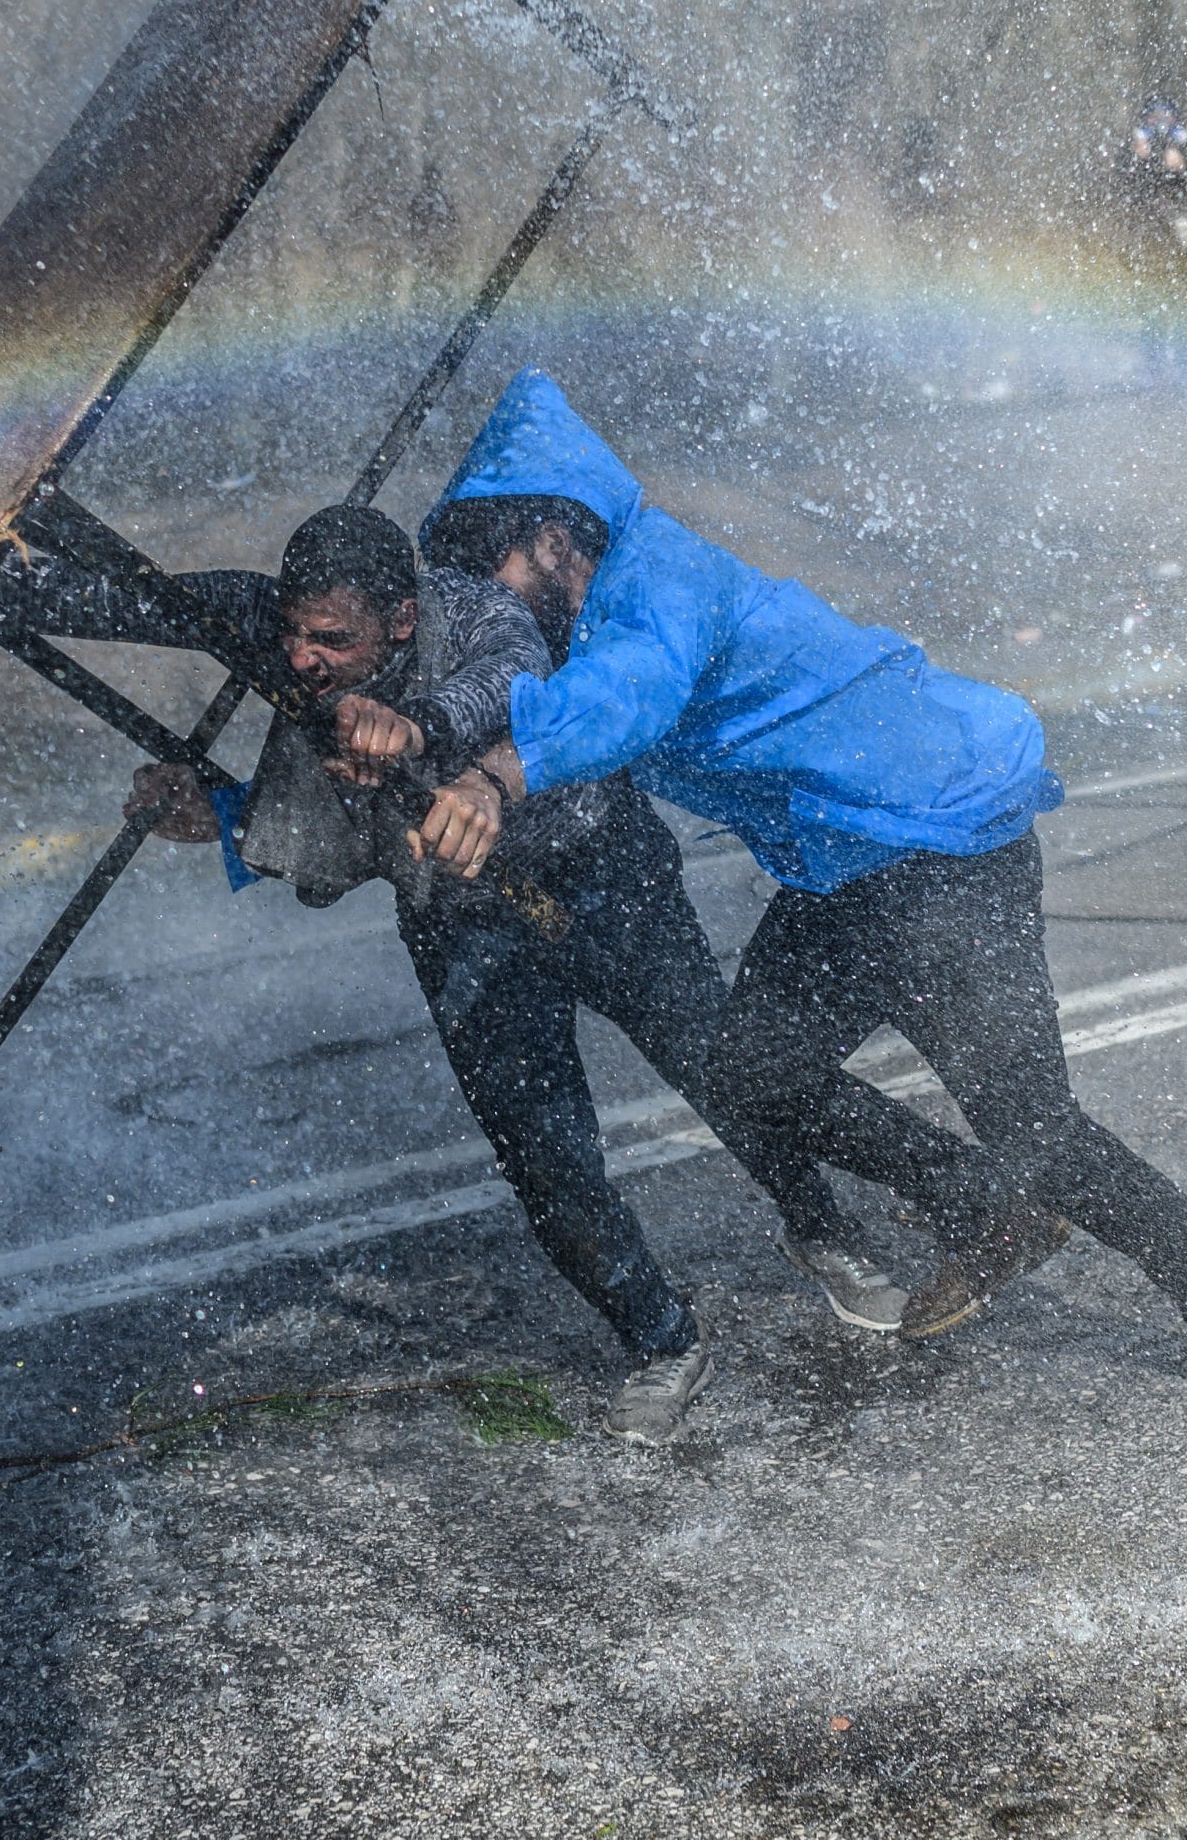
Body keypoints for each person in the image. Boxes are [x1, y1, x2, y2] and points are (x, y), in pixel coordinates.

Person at [0, 505, 926, 1444]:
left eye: (334, 640)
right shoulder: (276, 629)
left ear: (401, 618)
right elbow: (140, 603)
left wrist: (410, 724)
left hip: (599, 873)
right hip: (462, 922)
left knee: (718, 1068)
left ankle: (820, 1226)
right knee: (544, 1155)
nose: (303, 658)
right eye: (296, 633)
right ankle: (661, 1337)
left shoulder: (476, 613)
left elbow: (505, 681)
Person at [390, 369, 1187, 1341]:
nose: (497, 600)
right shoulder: (597, 620)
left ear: (555, 539)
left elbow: (626, 696)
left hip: (938, 845)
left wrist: (495, 778)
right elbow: (553, 694)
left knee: (1041, 1135)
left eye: (500, 567)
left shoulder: (660, 582)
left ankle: (1086, 1229)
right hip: (846, 868)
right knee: (752, 1074)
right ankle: (982, 1205)